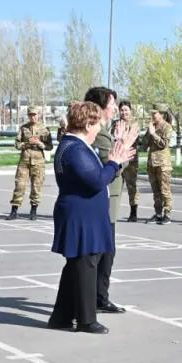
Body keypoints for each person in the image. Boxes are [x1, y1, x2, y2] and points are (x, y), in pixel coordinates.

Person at [48, 100, 137, 334]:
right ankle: (86, 319)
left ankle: (61, 316)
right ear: (88, 123)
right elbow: (97, 179)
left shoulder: (75, 145)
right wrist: (115, 161)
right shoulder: (75, 148)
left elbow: (97, 175)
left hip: (84, 213)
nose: (99, 128)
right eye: (97, 123)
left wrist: (115, 160)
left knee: (77, 266)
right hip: (80, 215)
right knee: (85, 264)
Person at [87, 86, 127, 314]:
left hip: (109, 200)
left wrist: (121, 147)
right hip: (104, 200)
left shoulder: (105, 132)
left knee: (107, 252)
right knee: (101, 253)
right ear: (100, 107)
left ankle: (100, 297)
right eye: (111, 104)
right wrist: (122, 146)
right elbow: (113, 165)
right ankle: (95, 298)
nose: (114, 109)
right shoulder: (101, 135)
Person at [8, 106, 52, 220]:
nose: (33, 117)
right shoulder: (24, 128)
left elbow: (49, 146)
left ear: (39, 115)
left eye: (35, 114)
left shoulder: (45, 129)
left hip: (38, 160)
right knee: (20, 186)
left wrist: (39, 143)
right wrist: (27, 143)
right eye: (31, 115)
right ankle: (14, 211)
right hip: (25, 160)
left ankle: (33, 211)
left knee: (36, 187)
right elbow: (17, 144)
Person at [143, 103, 174, 224]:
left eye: (154, 113)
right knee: (155, 190)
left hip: (163, 164)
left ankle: (167, 214)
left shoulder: (167, 127)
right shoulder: (152, 127)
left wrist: (153, 134)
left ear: (161, 114)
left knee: (164, 190)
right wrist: (148, 134)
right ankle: (158, 213)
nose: (152, 115)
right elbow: (144, 145)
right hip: (152, 163)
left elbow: (163, 144)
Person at [117, 100, 141, 222]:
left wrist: (122, 138)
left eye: (126, 110)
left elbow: (132, 140)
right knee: (116, 185)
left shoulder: (134, 125)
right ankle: (113, 209)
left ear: (130, 111)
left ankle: (133, 212)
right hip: (118, 159)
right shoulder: (116, 125)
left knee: (131, 186)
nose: (124, 112)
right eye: (122, 110)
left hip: (131, 159)